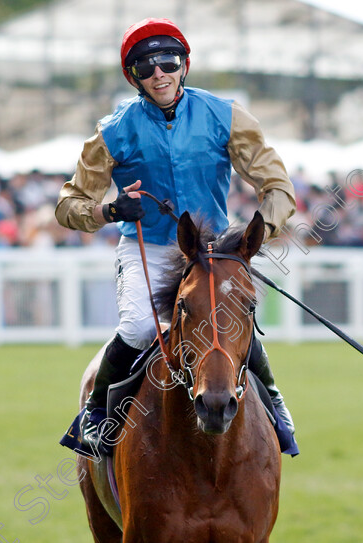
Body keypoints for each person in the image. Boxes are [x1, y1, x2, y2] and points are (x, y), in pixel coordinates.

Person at [55, 18, 298, 449]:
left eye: (167, 62)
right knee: (140, 327)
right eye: (146, 68)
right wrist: (110, 209)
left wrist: (258, 233)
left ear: (184, 65)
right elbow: (68, 206)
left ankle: (274, 402)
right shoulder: (112, 131)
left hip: (212, 250)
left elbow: (276, 184)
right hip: (147, 246)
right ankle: (96, 413)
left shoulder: (225, 115)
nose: (158, 74)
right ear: (134, 78)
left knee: (231, 321)